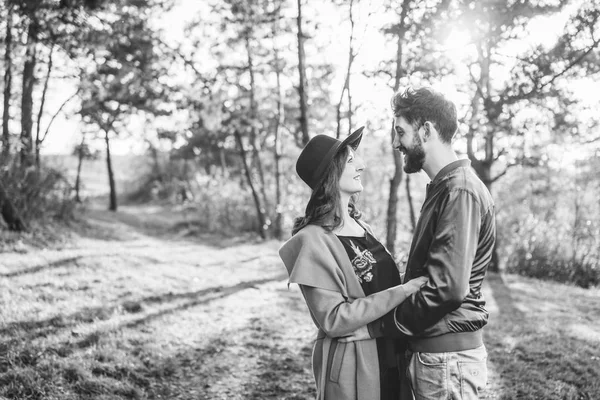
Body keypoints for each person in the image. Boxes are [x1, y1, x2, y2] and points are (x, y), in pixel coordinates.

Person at [279, 126, 427, 400]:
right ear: (330, 175)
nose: (361, 164)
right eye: (350, 160)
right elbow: (334, 319)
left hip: (391, 354)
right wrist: (404, 291)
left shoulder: (362, 226)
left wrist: (418, 277)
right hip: (354, 364)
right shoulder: (312, 241)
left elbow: (379, 285)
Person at [376, 87, 496, 399]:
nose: (395, 143)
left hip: (446, 363)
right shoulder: (445, 188)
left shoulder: (460, 191)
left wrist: (391, 324)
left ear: (426, 130)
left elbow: (448, 287)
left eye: (400, 132)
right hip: (438, 359)